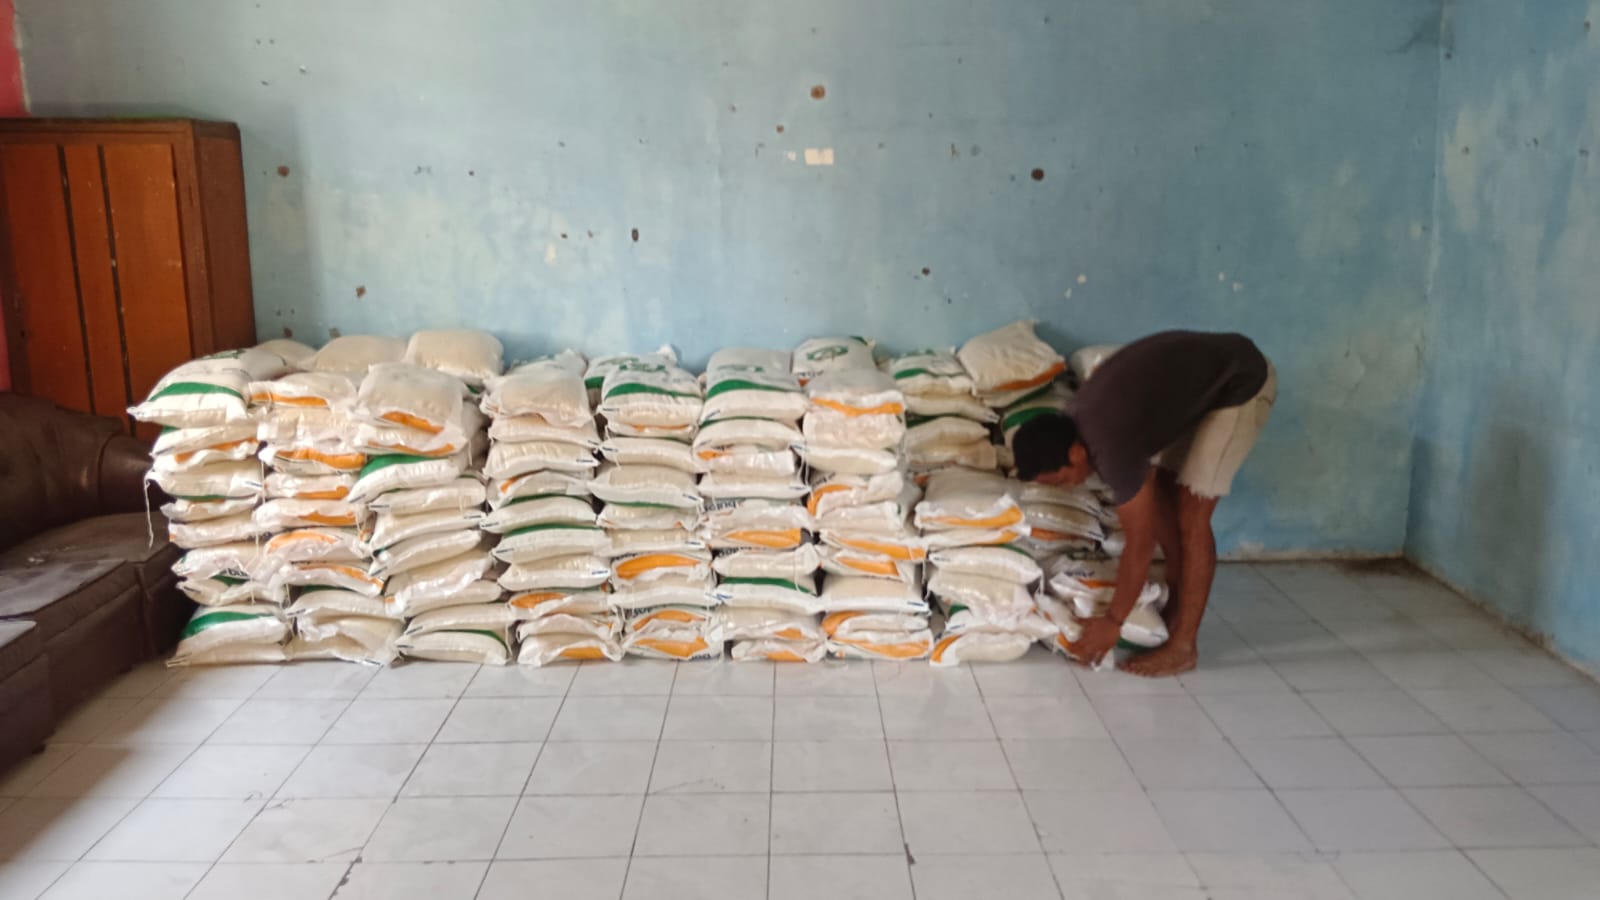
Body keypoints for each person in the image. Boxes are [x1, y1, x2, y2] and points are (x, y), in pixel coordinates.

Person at [1012, 330, 1275, 677]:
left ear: (1075, 454)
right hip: (1199, 385)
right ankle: (1176, 612)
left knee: (1192, 516)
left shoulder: (1110, 447)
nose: (1068, 487)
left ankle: (1184, 646)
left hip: (1240, 380)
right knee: (1165, 498)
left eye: (1061, 480)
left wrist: (1113, 621)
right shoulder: (1080, 423)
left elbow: (1140, 543)